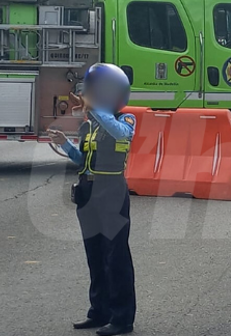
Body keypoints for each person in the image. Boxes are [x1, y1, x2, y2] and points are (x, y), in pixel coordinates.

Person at [48, 63, 139, 336]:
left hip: (112, 191)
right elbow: (81, 160)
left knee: (116, 257)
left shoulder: (126, 119)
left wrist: (92, 109)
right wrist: (65, 143)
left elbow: (121, 134)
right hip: (88, 192)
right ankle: (99, 312)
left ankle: (122, 318)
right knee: (95, 256)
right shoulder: (89, 127)